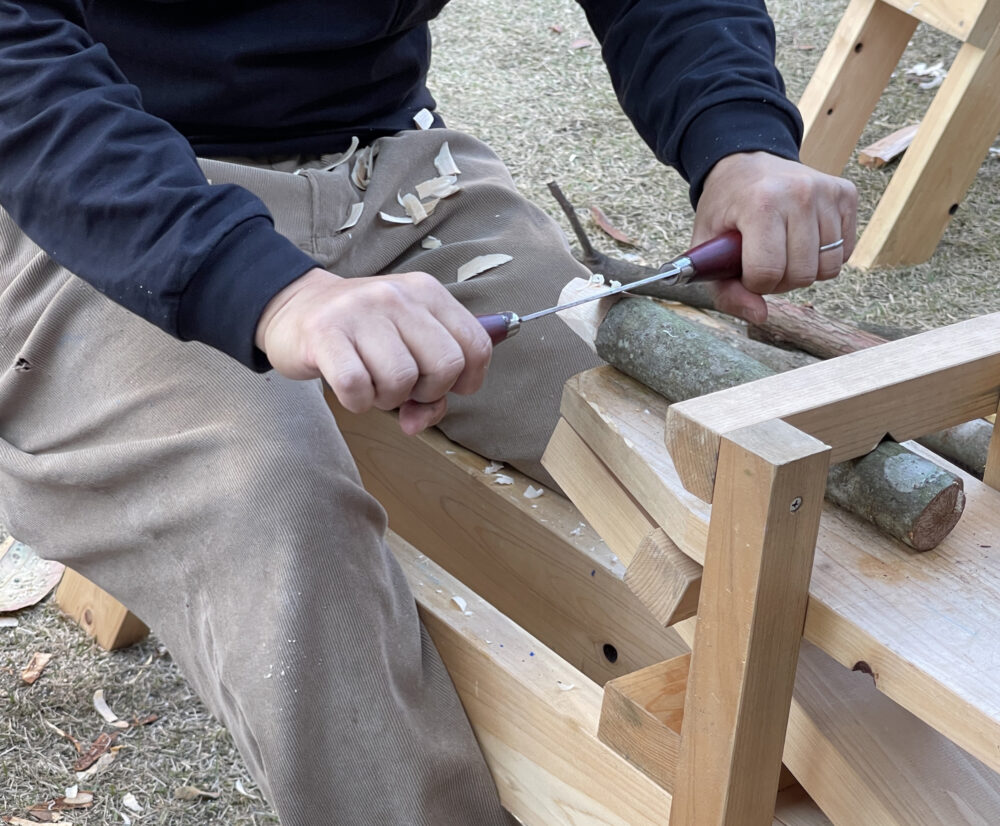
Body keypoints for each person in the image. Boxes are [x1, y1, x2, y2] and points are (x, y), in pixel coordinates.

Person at [0, 1, 857, 823]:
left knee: (696, 442)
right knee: (277, 506)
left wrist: (736, 136)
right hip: (90, 194)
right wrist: (254, 284)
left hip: (386, 166)